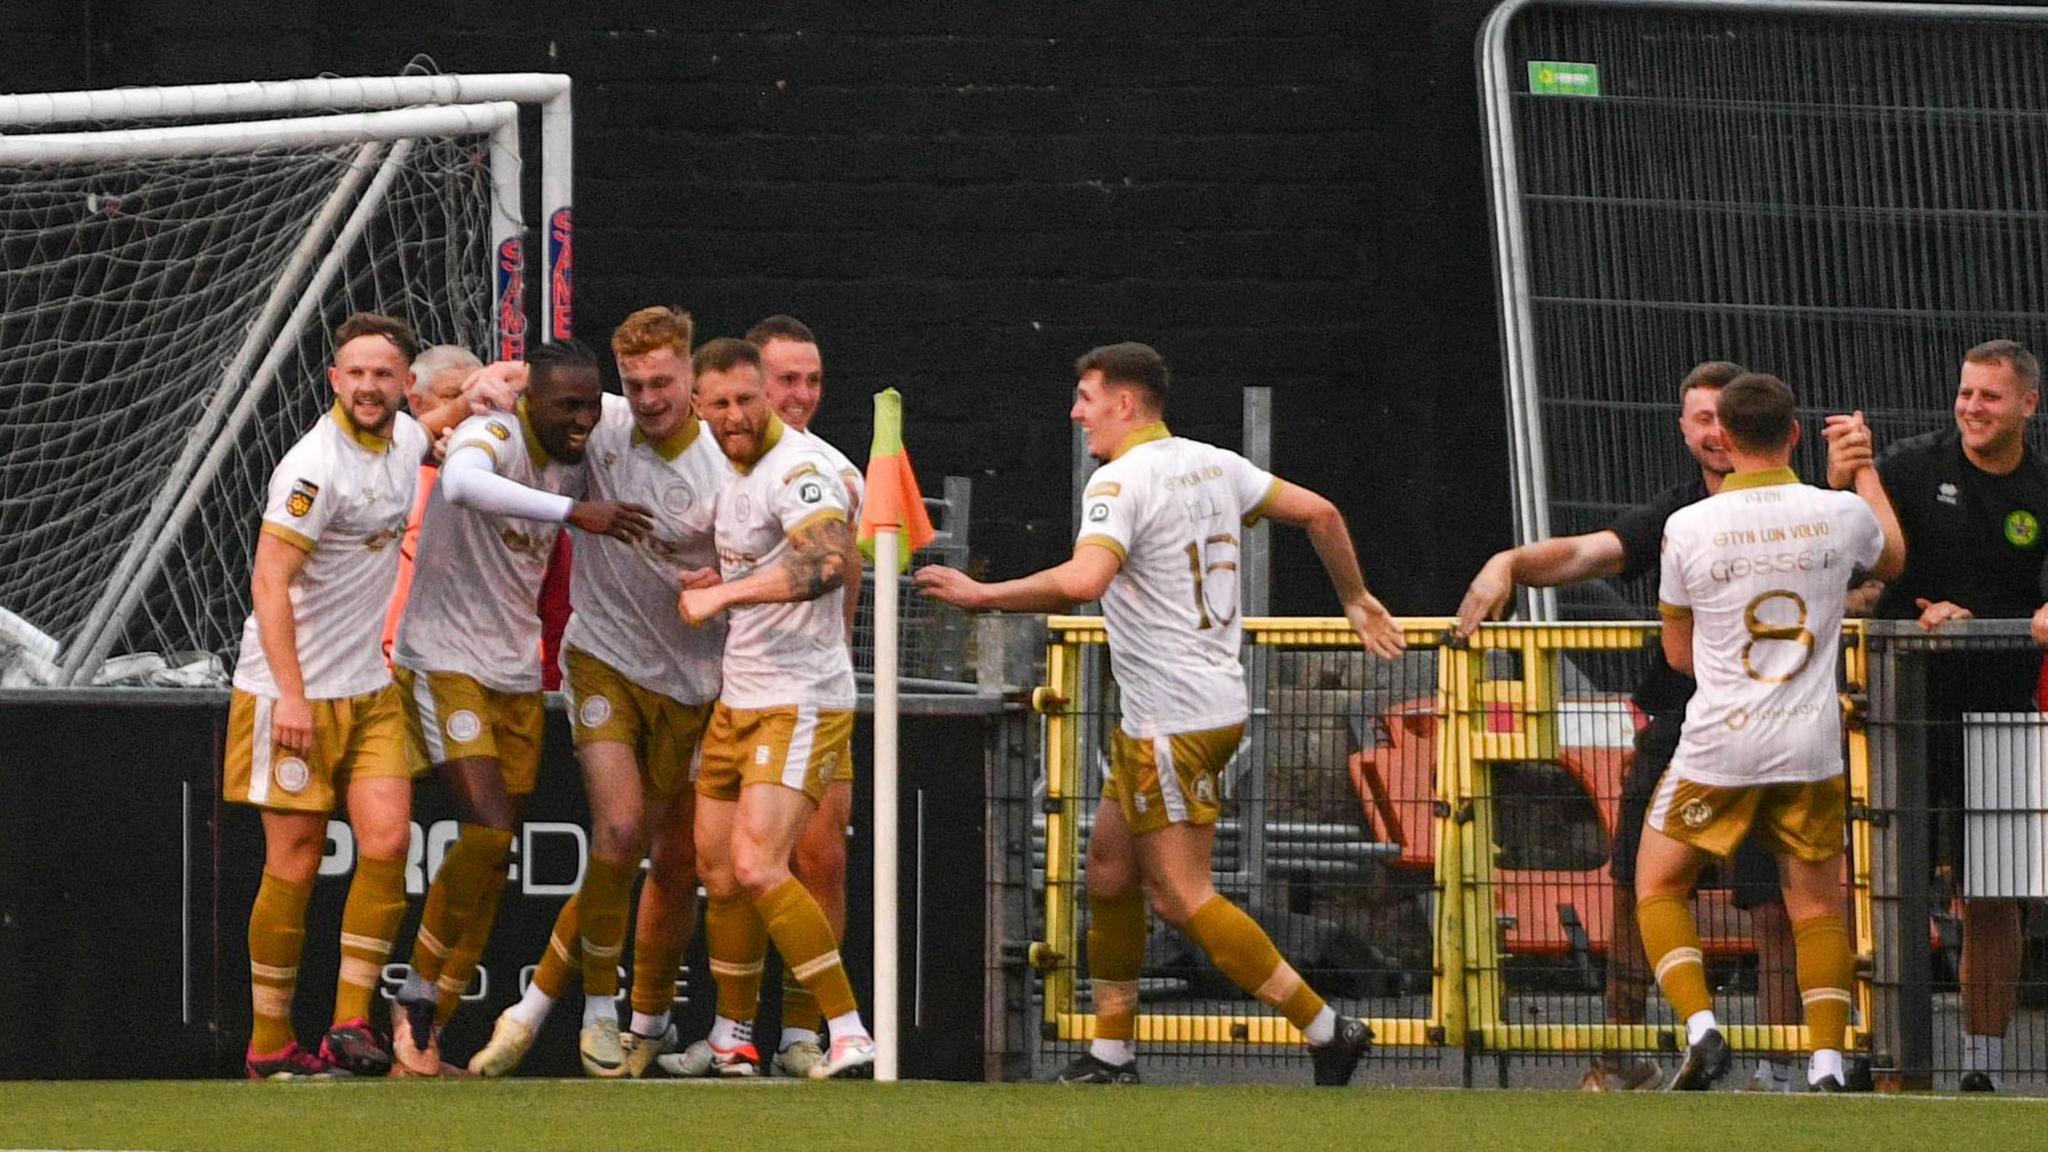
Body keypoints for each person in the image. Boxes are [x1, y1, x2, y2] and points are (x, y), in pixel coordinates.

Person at [915, 341, 1401, 1085]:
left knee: (1180, 895)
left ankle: (1328, 1029)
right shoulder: (1216, 462)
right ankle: (1112, 1053)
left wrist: (986, 597)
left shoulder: (1118, 482)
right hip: (1195, 708)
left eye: (1085, 396)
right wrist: (1357, 598)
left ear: (1124, 402)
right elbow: (1322, 512)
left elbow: (1085, 580)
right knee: (1109, 870)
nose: (1076, 412)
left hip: (1172, 720)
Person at [1456, 361, 1804, 1092]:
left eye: (1725, 418)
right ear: (1683, 428)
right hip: (1683, 723)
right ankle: (1624, 1055)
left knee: (1775, 896)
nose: (1715, 433)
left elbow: (1875, 569)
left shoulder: (1808, 511)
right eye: (1700, 419)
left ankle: (1786, 1065)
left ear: (1752, 425)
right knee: (1635, 883)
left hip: (1779, 726)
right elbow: (1589, 551)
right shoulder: (1676, 517)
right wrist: (1507, 563)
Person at [228, 313, 505, 1079]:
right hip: (292, 689)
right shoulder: (312, 470)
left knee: (386, 842)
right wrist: (289, 696)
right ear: (334, 380)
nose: (368, 386)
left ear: (403, 385)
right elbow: (269, 582)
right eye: (355, 373)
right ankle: (270, 1042)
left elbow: (440, 421)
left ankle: (349, 1023)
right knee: (295, 859)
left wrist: (478, 393)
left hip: (370, 685)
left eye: (383, 374)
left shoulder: (407, 441)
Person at [464, 307, 730, 1079]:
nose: (647, 399)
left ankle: (532, 1009)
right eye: (635, 383)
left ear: (692, 380)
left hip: (690, 683)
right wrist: (484, 382)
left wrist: (727, 584)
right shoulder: (601, 423)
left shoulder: (722, 467)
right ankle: (600, 1012)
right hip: (602, 657)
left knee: (645, 856)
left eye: (662, 383)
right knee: (617, 832)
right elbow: (513, 383)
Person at [387, 339, 652, 1076]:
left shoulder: (583, 432)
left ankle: (427, 1027)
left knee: (497, 847)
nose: (582, 419)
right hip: (443, 659)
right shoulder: (494, 432)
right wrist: (577, 512)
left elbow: (653, 406)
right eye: (566, 404)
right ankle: (413, 1000)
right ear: (531, 397)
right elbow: (463, 486)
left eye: (590, 406)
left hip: (515, 672)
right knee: (489, 824)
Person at [1640, 371, 1904, 1092]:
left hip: (1720, 744)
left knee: (1658, 885)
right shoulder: (1837, 513)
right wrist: (1863, 468)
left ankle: (1702, 1028)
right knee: (1817, 904)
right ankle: (1824, 1063)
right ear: (1793, 433)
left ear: (1721, 439)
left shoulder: (1688, 526)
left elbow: (1675, 653)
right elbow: (1893, 558)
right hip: (1810, 742)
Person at [1831, 339, 2048, 1093]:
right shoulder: (1914, 466)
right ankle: (1874, 1052)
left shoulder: (2043, 488)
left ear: (2028, 404)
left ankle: (1984, 1067)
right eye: (1964, 393)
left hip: (2004, 712)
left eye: (1990, 396)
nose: (1971, 408)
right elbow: (1861, 555)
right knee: (1886, 882)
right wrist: (1847, 472)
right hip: (1903, 709)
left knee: (1995, 893)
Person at [670, 336, 878, 1080]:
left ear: (767, 396)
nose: (735, 414)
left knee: (766, 863)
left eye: (747, 400)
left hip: (799, 698)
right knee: (720, 871)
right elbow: (765, 561)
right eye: (719, 403)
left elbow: (825, 563)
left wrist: (723, 594)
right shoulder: (727, 469)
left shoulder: (800, 467)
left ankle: (845, 1031)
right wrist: (724, 574)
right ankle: (732, 1036)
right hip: (740, 695)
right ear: (699, 405)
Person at [381, 344, 483, 664]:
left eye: (480, 399)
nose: (468, 411)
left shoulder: (515, 476)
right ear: (415, 400)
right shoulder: (379, 472)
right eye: (453, 398)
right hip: (386, 668)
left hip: (482, 669)